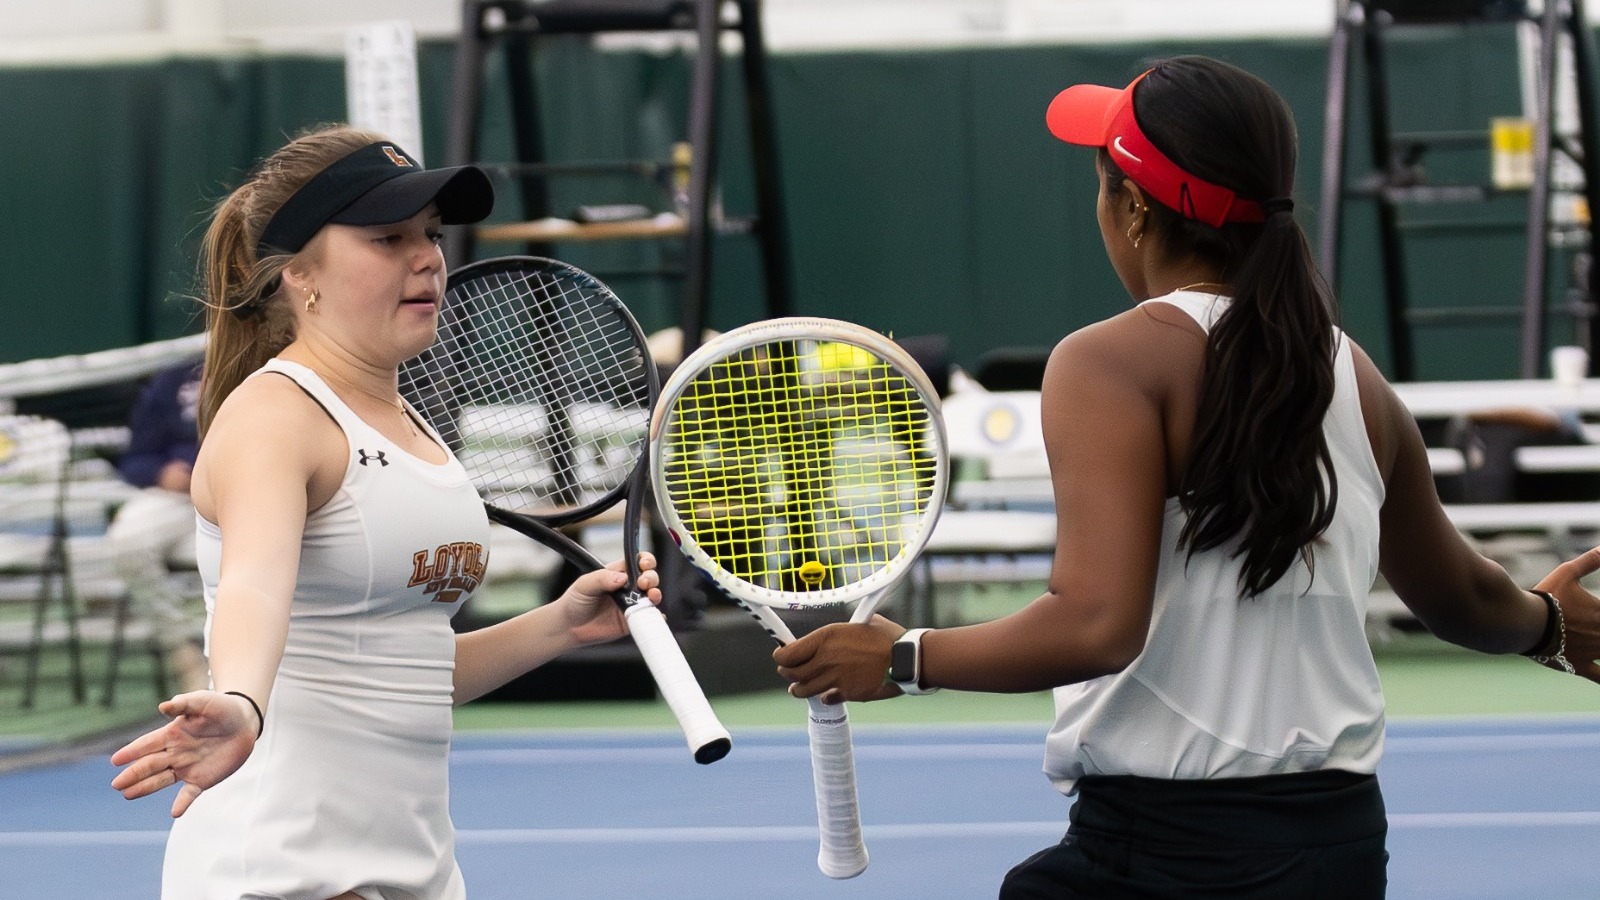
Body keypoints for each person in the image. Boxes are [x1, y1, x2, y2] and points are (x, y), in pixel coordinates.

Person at [773, 56, 1600, 898]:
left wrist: (904, 657)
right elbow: (1463, 597)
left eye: (1104, 187)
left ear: (1133, 208)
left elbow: (1098, 624)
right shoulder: (1355, 375)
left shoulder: (1108, 362)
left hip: (1167, 850)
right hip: (1340, 846)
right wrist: (1547, 624)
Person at [108, 125, 664, 900]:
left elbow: (405, 668)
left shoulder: (412, 427)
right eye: (387, 237)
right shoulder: (275, 415)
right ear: (300, 272)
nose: (427, 257)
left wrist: (562, 626)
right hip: (282, 863)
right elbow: (253, 587)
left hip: (412, 864)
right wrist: (240, 700)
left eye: (430, 234)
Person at [106, 360, 208, 692]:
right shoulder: (174, 379)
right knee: (128, 539)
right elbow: (135, 459)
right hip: (179, 499)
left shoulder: (275, 365)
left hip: (248, 494)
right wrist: (160, 472)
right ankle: (184, 652)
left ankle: (241, 660)